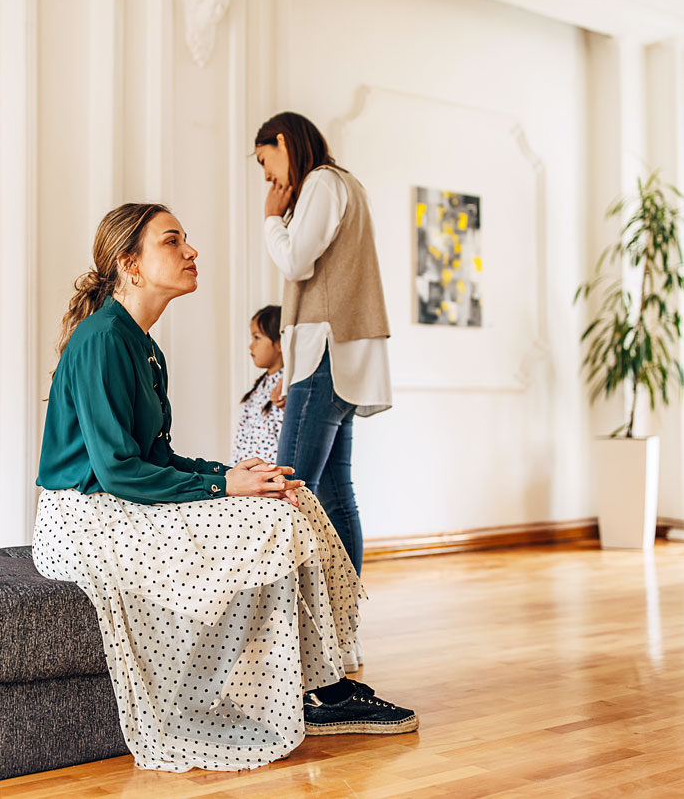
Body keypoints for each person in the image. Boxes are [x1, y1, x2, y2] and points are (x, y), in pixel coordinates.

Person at [33, 203, 417, 774]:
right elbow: (117, 471)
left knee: (289, 495)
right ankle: (310, 692)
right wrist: (226, 488)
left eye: (186, 239)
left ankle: (324, 685)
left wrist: (234, 475)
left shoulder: (143, 345)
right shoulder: (102, 340)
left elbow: (157, 459)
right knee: (272, 522)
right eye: (172, 241)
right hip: (85, 519)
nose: (191, 251)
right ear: (130, 265)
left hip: (122, 502)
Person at [257, 112, 391, 576]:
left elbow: (295, 261)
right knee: (335, 493)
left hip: (323, 357)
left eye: (264, 160)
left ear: (282, 141)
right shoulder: (347, 185)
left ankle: (291, 626)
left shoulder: (321, 183)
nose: (268, 176)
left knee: (288, 492)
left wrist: (273, 220)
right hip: (337, 361)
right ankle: (344, 626)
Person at [232, 304, 286, 465]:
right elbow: (241, 438)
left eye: (257, 337)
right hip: (246, 479)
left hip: (271, 480)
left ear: (280, 343)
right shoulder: (259, 388)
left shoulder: (287, 389)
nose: (251, 345)